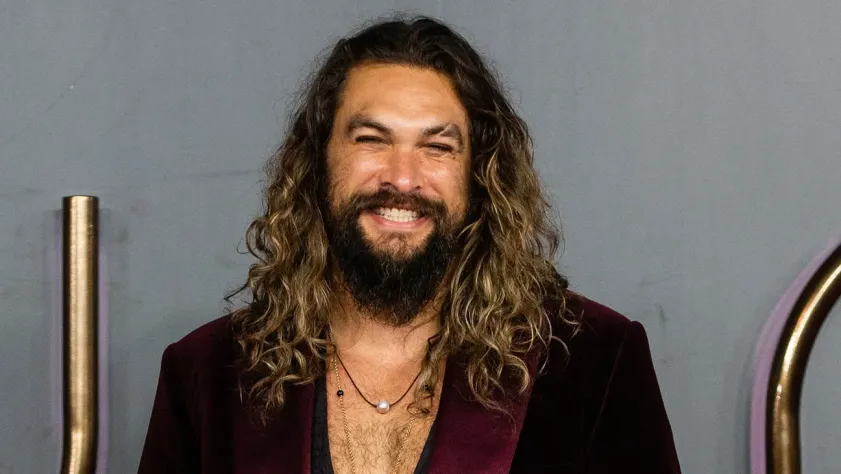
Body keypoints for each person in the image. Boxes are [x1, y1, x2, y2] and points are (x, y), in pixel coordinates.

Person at [139, 16, 681, 474]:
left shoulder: (593, 362)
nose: (402, 177)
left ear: (479, 176)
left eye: (437, 147)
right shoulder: (207, 374)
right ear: (317, 162)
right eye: (372, 139)